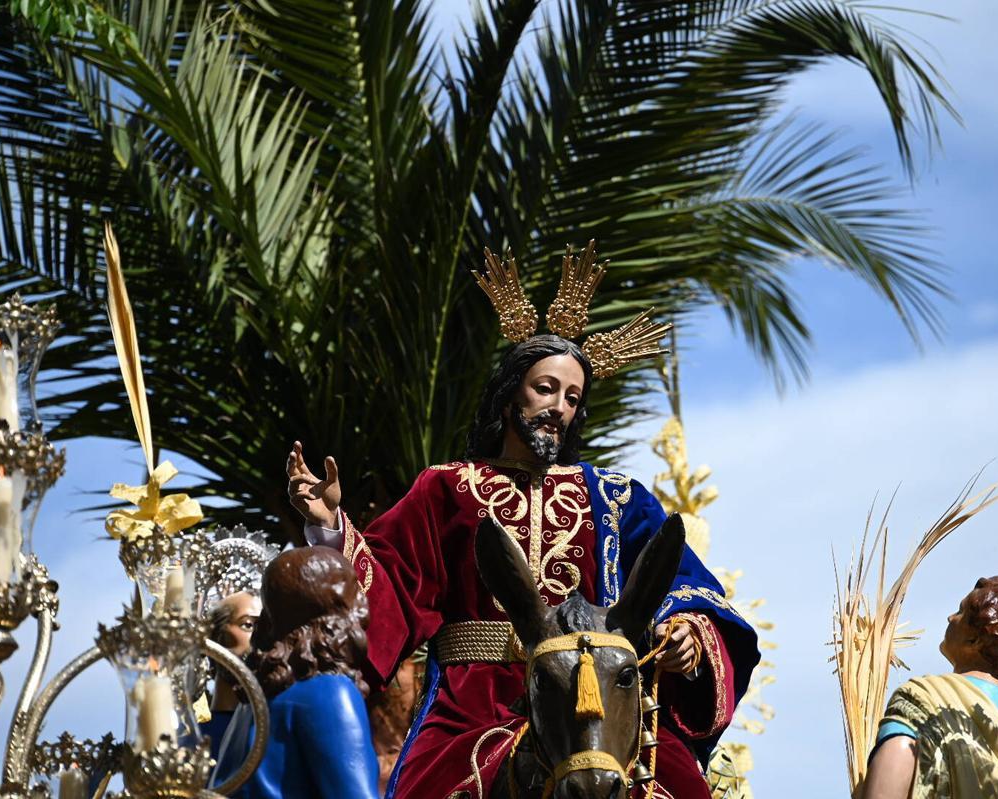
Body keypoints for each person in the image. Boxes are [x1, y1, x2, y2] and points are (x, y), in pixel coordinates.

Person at [286, 244, 760, 798]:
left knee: (673, 783)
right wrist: (330, 525)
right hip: (472, 705)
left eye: (573, 397)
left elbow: (683, 581)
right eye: (546, 388)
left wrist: (687, 635)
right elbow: (390, 582)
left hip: (594, 705)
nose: (559, 406)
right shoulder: (447, 487)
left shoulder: (616, 497)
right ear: (511, 394)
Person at [863, 576, 998, 799]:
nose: (950, 617)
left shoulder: (928, 697)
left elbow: (900, 752)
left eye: (960, 612)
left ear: (975, 640)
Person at [234, 547, 379, 799]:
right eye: (355, 590)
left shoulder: (250, 703)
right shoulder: (329, 693)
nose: (364, 605)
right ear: (336, 604)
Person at [200, 591, 261, 762]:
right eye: (248, 625)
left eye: (266, 627)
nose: (261, 636)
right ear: (215, 637)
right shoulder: (194, 739)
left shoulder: (270, 730)